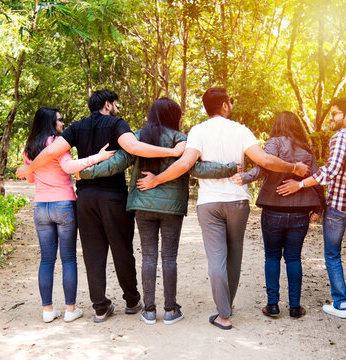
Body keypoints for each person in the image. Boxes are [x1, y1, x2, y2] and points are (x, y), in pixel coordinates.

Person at [136, 88, 310, 330]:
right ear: (225, 106)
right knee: (234, 255)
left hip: (209, 204)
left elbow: (185, 164)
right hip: (238, 201)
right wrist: (294, 169)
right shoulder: (240, 130)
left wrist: (156, 179)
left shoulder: (198, 130)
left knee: (216, 258)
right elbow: (265, 161)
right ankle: (227, 304)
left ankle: (223, 315)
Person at [16, 90, 186, 322]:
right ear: (107, 105)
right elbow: (134, 148)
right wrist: (172, 152)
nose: (118, 108)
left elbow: (51, 151)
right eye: (116, 104)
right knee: (122, 249)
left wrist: (29, 168)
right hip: (112, 196)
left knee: (92, 252)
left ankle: (100, 307)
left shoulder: (76, 126)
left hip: (85, 197)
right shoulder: (117, 124)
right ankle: (132, 300)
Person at [80, 97, 238, 325]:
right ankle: (171, 310)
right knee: (169, 256)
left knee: (149, 256)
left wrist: (84, 171)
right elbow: (197, 168)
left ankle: (149, 311)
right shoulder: (181, 140)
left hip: (143, 204)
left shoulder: (138, 137)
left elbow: (115, 163)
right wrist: (230, 168)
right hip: (171, 206)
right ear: (175, 116)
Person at [276, 98, 346, 325]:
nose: (331, 118)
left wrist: (301, 184)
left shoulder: (341, 137)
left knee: (333, 255)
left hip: (337, 207)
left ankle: (342, 305)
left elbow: (331, 171)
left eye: (334, 114)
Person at [23, 107, 115, 323]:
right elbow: (69, 167)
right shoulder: (57, 143)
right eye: (60, 120)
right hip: (63, 203)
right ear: (50, 122)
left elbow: (30, 179)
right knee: (68, 258)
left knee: (46, 260)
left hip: (40, 206)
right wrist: (97, 157)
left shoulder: (28, 147)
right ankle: (70, 309)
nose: (63, 123)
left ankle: (47, 311)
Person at [232, 111, 325, 319]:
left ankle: (272, 305)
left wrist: (244, 177)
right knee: (293, 258)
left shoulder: (274, 143)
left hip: (274, 209)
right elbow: (317, 178)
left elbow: (264, 166)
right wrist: (318, 208)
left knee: (272, 256)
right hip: (301, 211)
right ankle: (294, 307)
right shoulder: (306, 148)